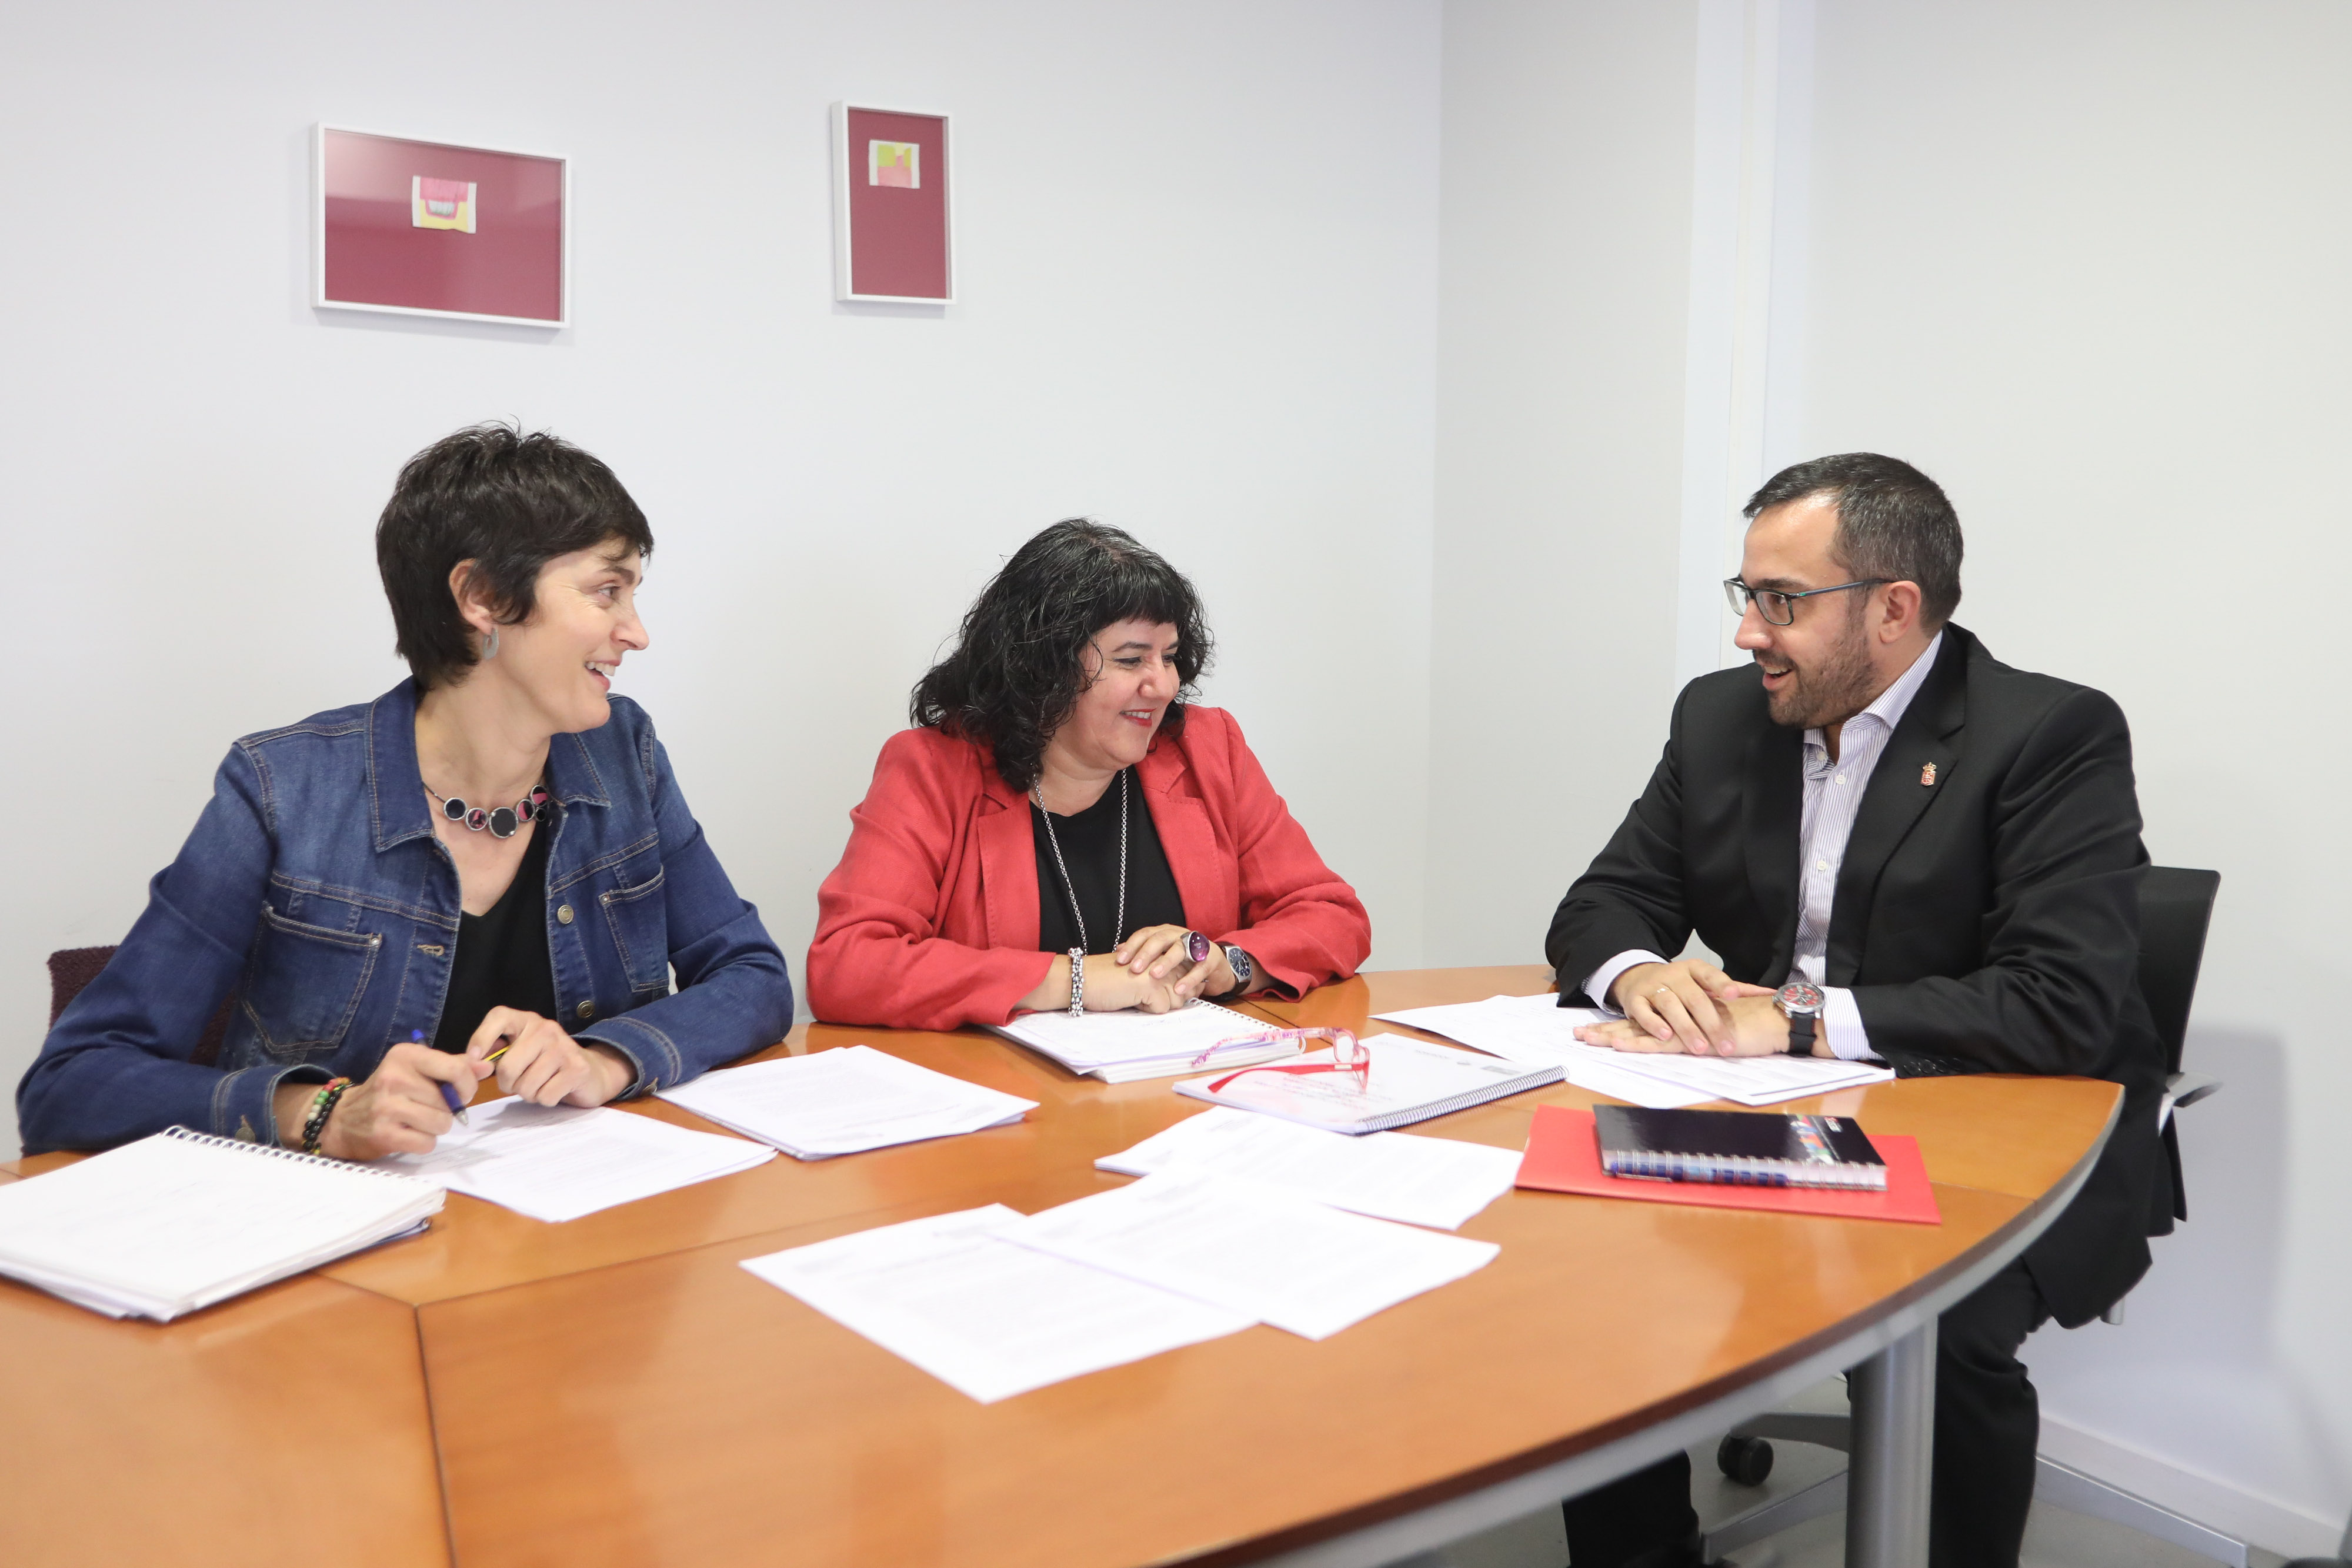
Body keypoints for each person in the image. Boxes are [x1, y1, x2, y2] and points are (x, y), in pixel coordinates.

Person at [1546, 453, 2171, 1568]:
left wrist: (1794, 1019)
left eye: (1780, 601)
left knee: (1933, 1326)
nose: (1747, 632)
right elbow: (1601, 903)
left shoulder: (2045, 734)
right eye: (1745, 595)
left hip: (1994, 1121)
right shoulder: (1719, 718)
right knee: (1582, 1256)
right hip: (1767, 1116)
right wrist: (1640, 974)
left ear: (1892, 608)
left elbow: (2060, 1002)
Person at [19, 425, 793, 1159]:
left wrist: (604, 1059)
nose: (636, 632)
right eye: (606, 591)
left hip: (575, 1216)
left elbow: (752, 977)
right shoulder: (281, 789)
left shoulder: (624, 754)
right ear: (482, 596)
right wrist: (322, 1113)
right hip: (346, 1233)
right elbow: (73, 1081)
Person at [808, 518, 1370, 1030]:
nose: (1162, 685)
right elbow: (847, 965)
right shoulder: (932, 770)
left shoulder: (1208, 749)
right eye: (1131, 660)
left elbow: (1332, 917)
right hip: (1010, 1095)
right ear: (1043, 669)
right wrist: (1076, 980)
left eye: (1169, 656)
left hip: (1183, 1086)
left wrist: (1227, 964)